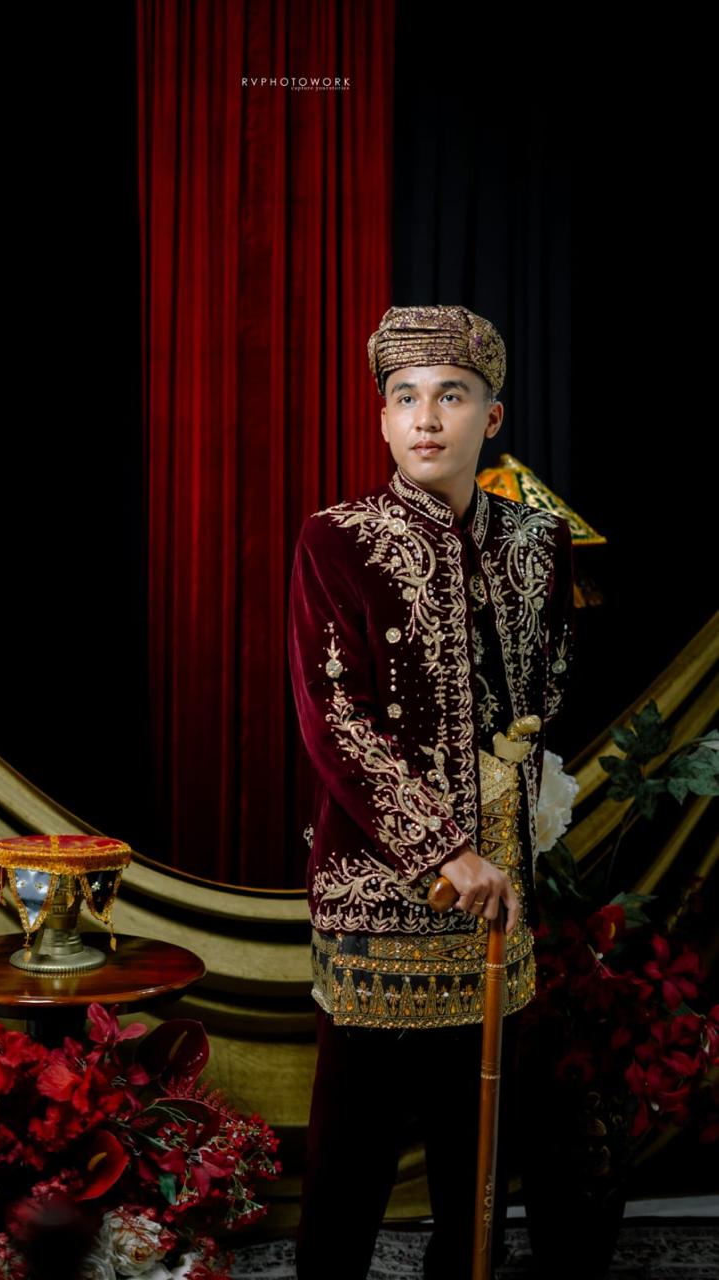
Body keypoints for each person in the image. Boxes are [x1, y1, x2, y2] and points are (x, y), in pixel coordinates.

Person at [287, 304, 574, 1279]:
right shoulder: (336, 540)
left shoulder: (539, 540)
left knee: (477, 1155)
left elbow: (549, 686)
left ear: (491, 418)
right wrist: (445, 848)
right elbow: (335, 717)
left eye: (452, 396)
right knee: (351, 1154)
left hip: (502, 900)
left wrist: (507, 819)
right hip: (379, 896)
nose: (426, 417)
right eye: (405, 397)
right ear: (381, 419)